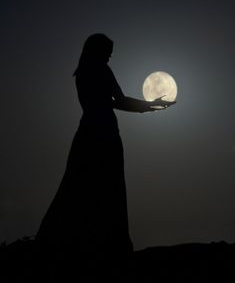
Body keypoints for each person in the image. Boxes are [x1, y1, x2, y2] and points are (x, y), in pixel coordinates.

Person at [35, 33, 175, 278]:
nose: (111, 56)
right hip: (104, 133)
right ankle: (107, 246)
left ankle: (65, 242)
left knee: (77, 184)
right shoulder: (101, 70)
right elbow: (118, 101)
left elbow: (110, 102)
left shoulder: (82, 72)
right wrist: (150, 105)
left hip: (87, 131)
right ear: (98, 50)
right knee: (107, 186)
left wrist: (147, 106)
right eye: (108, 51)